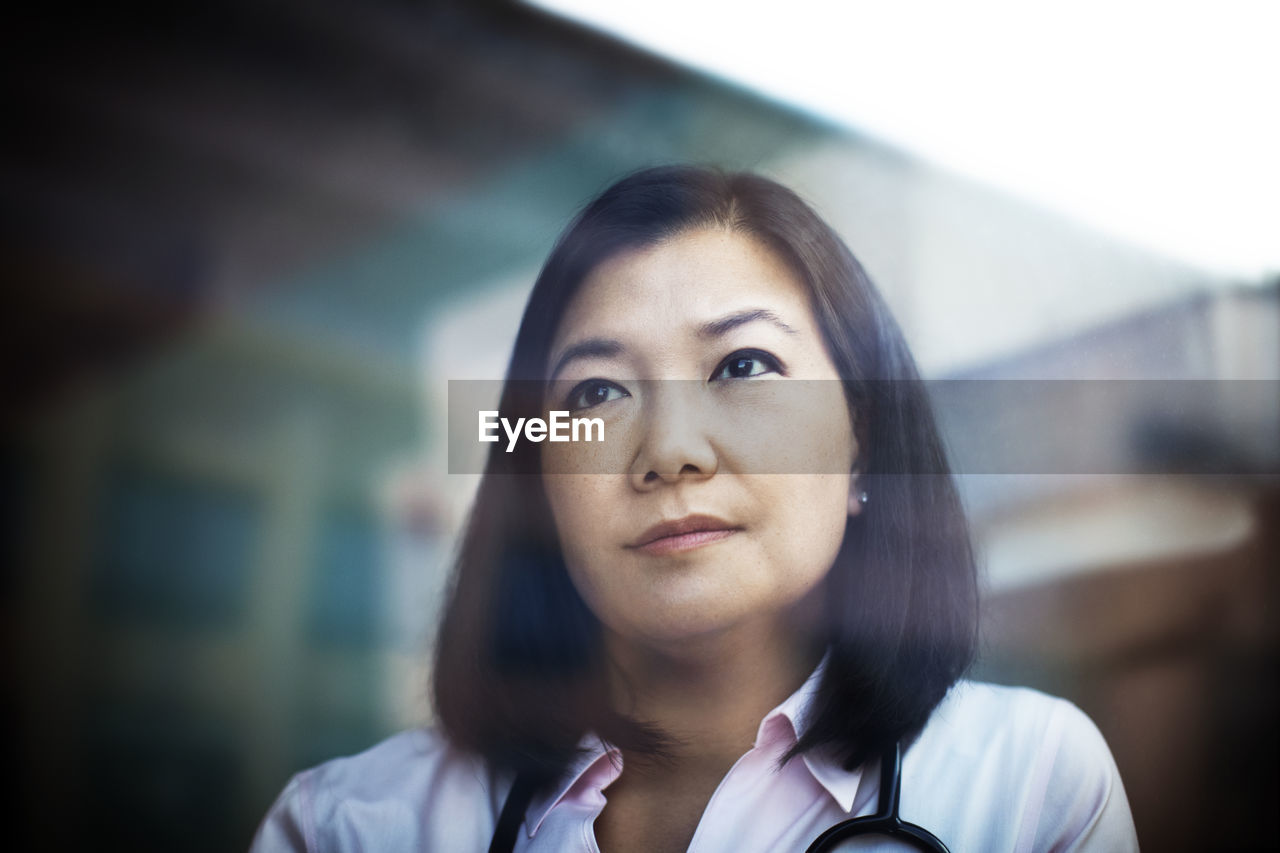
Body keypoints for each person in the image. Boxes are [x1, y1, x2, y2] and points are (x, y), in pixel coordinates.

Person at [250, 166, 1138, 851]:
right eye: (598, 391)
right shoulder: (348, 827)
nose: (671, 449)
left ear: (859, 437)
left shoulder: (1028, 784)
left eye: (744, 366)